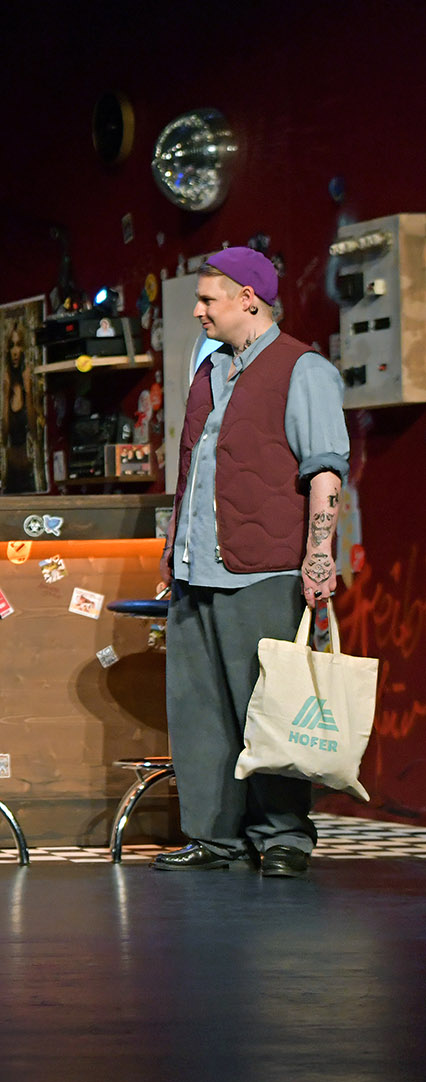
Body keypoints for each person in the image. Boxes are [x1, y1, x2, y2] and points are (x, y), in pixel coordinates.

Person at [154, 247, 349, 879]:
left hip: (261, 569)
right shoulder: (210, 370)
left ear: (248, 299)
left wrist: (318, 555)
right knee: (200, 710)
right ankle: (216, 837)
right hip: (196, 568)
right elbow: (195, 470)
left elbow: (325, 471)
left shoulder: (302, 369)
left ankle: (284, 834)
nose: (198, 310)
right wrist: (174, 549)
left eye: (208, 299)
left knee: (270, 706)